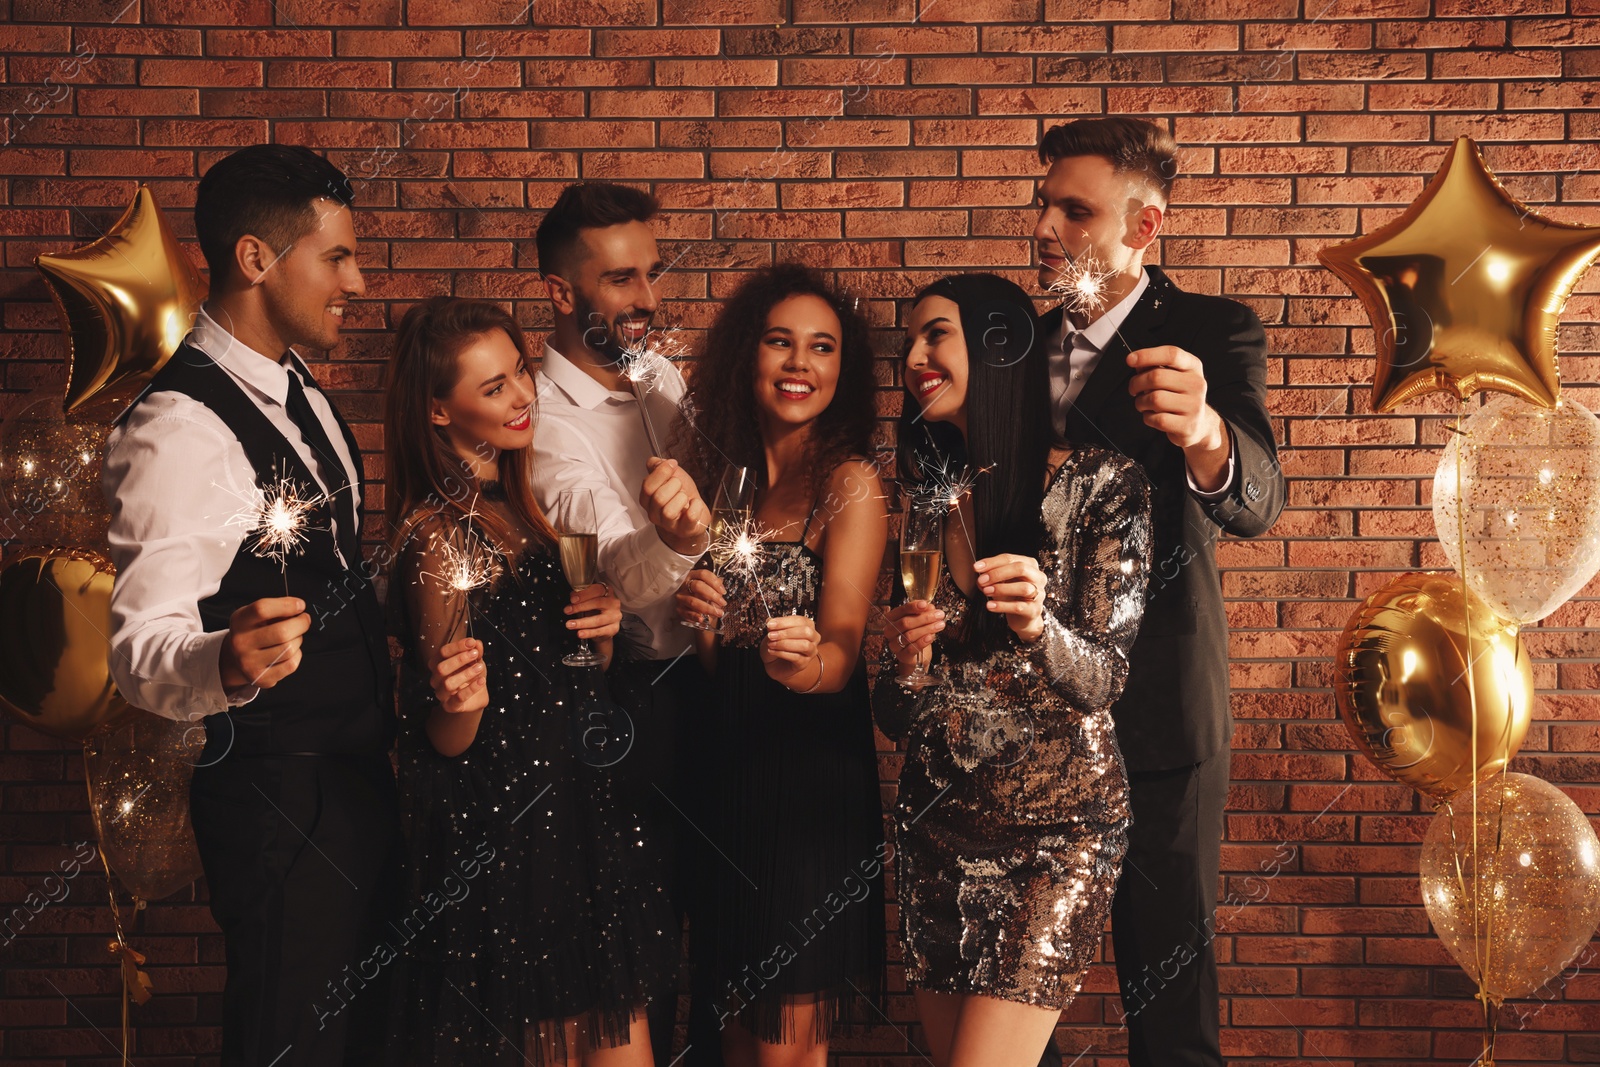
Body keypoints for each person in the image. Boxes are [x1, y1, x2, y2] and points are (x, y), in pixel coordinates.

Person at [103, 144, 401, 1065]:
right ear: (256, 260)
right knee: (292, 1041)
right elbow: (138, 645)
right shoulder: (178, 427)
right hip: (276, 802)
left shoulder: (299, 391)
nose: (356, 279)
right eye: (337, 257)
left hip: (358, 786)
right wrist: (220, 661)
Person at [1031, 117, 1285, 1066]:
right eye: (1046, 205)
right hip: (1030, 711)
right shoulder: (1006, 340)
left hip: (1159, 712)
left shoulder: (1212, 330)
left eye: (1078, 211)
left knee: (1171, 1004)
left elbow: (1258, 498)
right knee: (1017, 997)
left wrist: (1208, 433)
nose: (1050, 229)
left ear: (1145, 227)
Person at [383, 296, 675, 1066]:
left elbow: (564, 675)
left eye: (520, 373)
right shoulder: (435, 535)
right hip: (509, 837)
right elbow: (446, 738)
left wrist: (602, 637)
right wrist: (458, 704)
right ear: (439, 413)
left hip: (579, 818)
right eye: (494, 388)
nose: (522, 397)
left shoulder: (525, 503)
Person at [874, 273, 1152, 1067]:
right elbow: (900, 716)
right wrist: (905, 663)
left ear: (999, 350)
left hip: (1056, 832)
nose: (915, 356)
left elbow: (1102, 679)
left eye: (936, 335)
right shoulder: (929, 500)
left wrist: (1040, 627)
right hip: (937, 830)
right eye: (910, 341)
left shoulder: (1103, 484)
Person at [670, 264, 888, 1067]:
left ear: (843, 368)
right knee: (732, 1037)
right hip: (724, 780)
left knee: (785, 1053)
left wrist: (801, 667)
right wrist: (699, 619)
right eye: (781, 342)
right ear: (747, 355)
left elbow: (840, 651)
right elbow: (714, 656)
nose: (800, 363)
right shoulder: (723, 484)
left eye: (822, 347)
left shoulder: (850, 484)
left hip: (804, 797)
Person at [528, 181, 718, 1064]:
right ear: (562, 291)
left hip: (712, 693)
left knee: (713, 948)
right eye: (619, 280)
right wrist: (684, 537)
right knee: (633, 963)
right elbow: (624, 574)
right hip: (627, 711)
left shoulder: (661, 376)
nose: (646, 300)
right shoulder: (543, 424)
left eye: (650, 274)